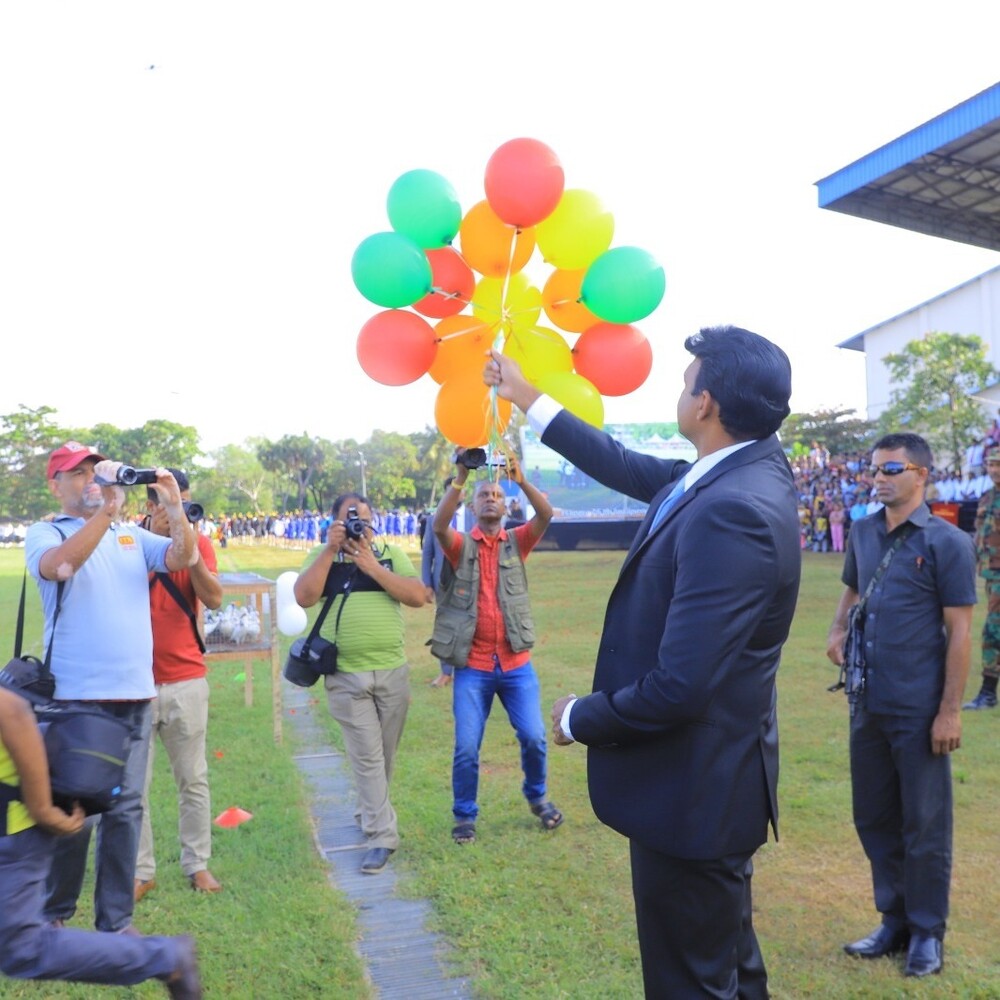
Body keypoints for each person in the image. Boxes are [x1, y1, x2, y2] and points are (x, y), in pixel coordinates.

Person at [485, 325, 801, 998]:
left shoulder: (732, 509)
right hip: (709, 784)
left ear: (706, 403)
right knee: (728, 967)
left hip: (694, 792)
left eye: (685, 384)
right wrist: (526, 395)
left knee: (691, 981)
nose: (679, 394)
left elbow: (682, 685)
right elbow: (623, 465)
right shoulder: (734, 472)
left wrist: (580, 717)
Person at [24, 442, 197, 934]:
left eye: (94, 471)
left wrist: (173, 507)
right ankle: (55, 914)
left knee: (126, 810)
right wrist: (106, 513)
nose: (91, 480)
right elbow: (60, 567)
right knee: (76, 810)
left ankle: (116, 924)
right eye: (78, 473)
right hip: (77, 698)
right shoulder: (47, 532)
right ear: (56, 485)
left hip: (135, 694)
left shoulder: (130, 535)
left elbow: (181, 557)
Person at [826, 433, 976, 978]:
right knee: (874, 815)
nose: (879, 478)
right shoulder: (864, 532)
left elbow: (960, 632)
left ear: (921, 474)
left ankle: (927, 932)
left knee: (925, 824)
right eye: (875, 469)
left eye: (891, 469)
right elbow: (852, 588)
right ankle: (894, 920)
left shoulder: (947, 542)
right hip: (867, 700)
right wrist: (837, 628)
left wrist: (949, 711)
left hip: (918, 706)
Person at [0, 682, 202, 997]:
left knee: (22, 948)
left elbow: (10, 710)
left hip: (13, 825)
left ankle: (167, 958)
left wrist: (41, 808)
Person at [293, 493, 426, 875]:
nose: (358, 527)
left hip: (392, 672)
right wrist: (329, 550)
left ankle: (368, 810)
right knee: (368, 757)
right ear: (333, 522)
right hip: (346, 676)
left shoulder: (389, 554)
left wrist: (372, 566)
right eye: (350, 520)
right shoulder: (322, 555)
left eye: (364, 520)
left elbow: (418, 596)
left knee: (384, 756)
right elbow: (303, 597)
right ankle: (382, 836)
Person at [431, 452, 558, 846]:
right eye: (484, 495)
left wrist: (520, 479)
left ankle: (537, 797)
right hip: (473, 666)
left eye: (497, 495)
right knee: (467, 747)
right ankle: (464, 816)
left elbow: (546, 514)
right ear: (472, 507)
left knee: (535, 737)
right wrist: (460, 478)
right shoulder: (460, 546)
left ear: (505, 507)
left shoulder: (517, 543)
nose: (490, 498)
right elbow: (438, 526)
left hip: (516, 664)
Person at [135, 470, 225, 903]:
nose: (179, 512)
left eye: (184, 504)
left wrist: (189, 551)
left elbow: (214, 598)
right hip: (133, 683)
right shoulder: (127, 542)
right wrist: (158, 542)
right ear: (150, 506)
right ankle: (140, 871)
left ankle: (197, 863)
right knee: (134, 785)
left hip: (186, 678)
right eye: (170, 504)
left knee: (193, 779)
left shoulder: (199, 544)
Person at [966, 452, 1000, 709]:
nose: (993, 469)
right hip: (991, 574)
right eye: (990, 464)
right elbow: (980, 533)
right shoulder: (987, 496)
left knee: (992, 630)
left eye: (998, 465)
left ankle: (988, 693)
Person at [421, 478, 456, 689]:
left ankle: (470, 669)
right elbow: (428, 553)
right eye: (452, 490)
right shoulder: (434, 520)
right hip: (442, 582)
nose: (456, 493)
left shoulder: (473, 516)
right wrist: (427, 583)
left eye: (459, 489)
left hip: (472, 581)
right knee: (444, 627)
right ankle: (445, 672)